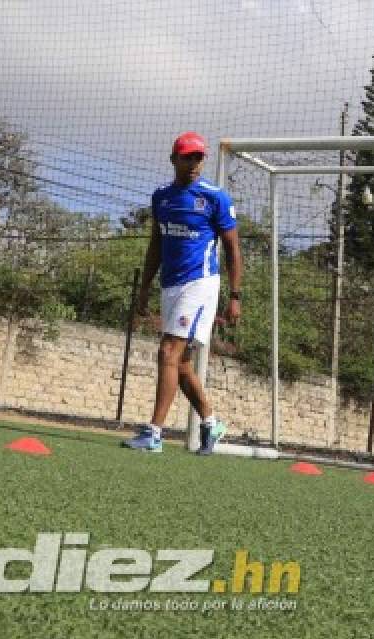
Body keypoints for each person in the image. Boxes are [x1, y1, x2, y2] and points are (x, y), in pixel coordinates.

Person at [122, 131, 243, 454]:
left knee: (167, 352)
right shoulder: (161, 197)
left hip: (200, 284)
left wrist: (235, 296)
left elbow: (232, 248)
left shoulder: (216, 198)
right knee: (183, 363)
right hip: (171, 284)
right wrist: (145, 287)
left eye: (199, 157)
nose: (193, 163)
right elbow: (156, 244)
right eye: (187, 156)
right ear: (174, 159)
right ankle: (211, 422)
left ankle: (154, 433)